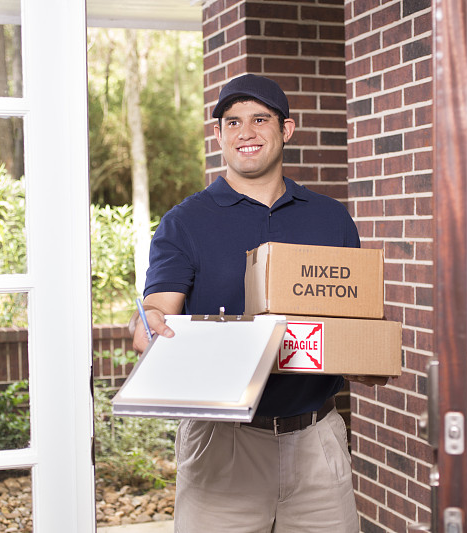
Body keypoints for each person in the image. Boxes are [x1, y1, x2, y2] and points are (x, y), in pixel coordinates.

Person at [129, 73, 383, 532]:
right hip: (223, 446)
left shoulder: (330, 218)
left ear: (286, 129)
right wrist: (149, 323)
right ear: (219, 135)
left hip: (315, 442)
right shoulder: (185, 222)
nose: (245, 132)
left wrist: (370, 354)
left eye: (260, 119)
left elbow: (357, 323)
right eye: (232, 122)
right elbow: (158, 308)